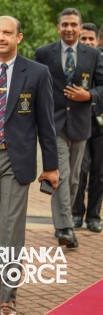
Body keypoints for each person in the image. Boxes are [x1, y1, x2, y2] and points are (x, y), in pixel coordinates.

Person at [0, 16, 59, 315]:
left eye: (7, 32)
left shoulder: (38, 73)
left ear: (19, 37)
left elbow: (46, 123)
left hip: (17, 161)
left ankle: (8, 295)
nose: (0, 37)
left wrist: (51, 166)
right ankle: (0, 269)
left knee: (12, 229)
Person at [35, 8, 103, 248]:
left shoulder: (93, 54)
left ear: (80, 28)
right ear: (58, 27)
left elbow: (102, 86)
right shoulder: (44, 53)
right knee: (61, 176)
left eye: (74, 24)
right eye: (65, 24)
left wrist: (89, 95)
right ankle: (64, 227)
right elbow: (34, 86)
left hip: (81, 125)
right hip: (53, 125)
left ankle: (63, 222)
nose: (69, 28)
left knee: (74, 180)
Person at [73, 22, 103, 233]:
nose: (88, 42)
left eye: (91, 39)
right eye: (84, 38)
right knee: (80, 171)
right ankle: (76, 213)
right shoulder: (71, 62)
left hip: (100, 124)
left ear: (98, 40)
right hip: (79, 123)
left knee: (99, 173)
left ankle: (93, 216)